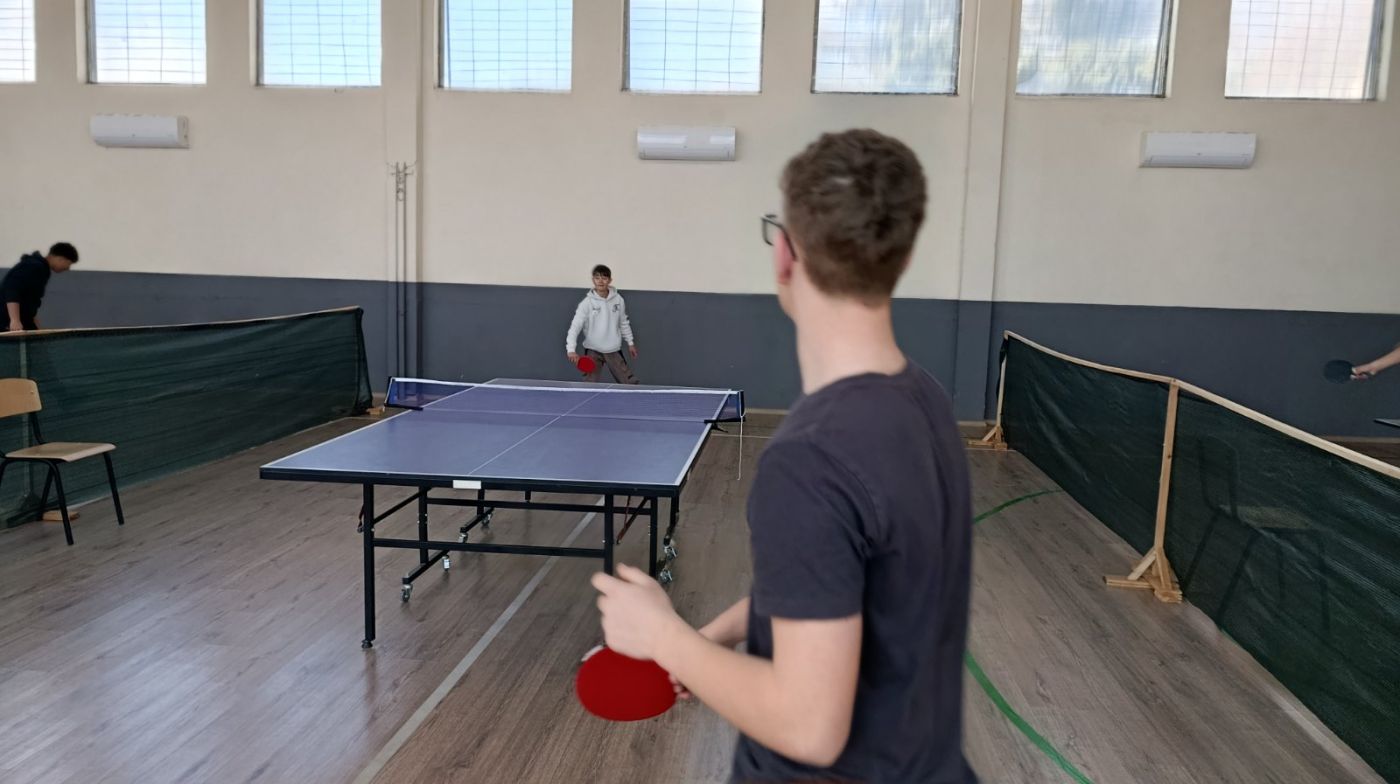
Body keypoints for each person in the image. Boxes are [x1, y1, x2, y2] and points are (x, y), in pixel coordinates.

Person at [591, 129, 977, 783]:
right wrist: (705, 647)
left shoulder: (809, 461)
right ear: (902, 258)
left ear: (785, 255)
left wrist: (663, 637)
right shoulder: (928, 402)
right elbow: (834, 587)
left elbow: (808, 727)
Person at [565, 264, 640, 384]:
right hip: (593, 350)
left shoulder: (618, 300)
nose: (600, 281)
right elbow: (575, 327)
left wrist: (630, 343)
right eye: (597, 278)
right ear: (593, 280)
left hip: (613, 349)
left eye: (604, 278)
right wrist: (571, 349)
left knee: (629, 384)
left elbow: (623, 322)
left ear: (610, 280)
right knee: (588, 386)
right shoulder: (587, 303)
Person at [2, 243, 79, 332]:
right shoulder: (33, 266)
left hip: (23, 321)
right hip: (7, 322)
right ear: (60, 259)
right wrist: (14, 320)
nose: (68, 268)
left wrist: (37, 327)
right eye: (68, 263)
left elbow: (30, 301)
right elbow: (12, 288)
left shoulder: (42, 269)